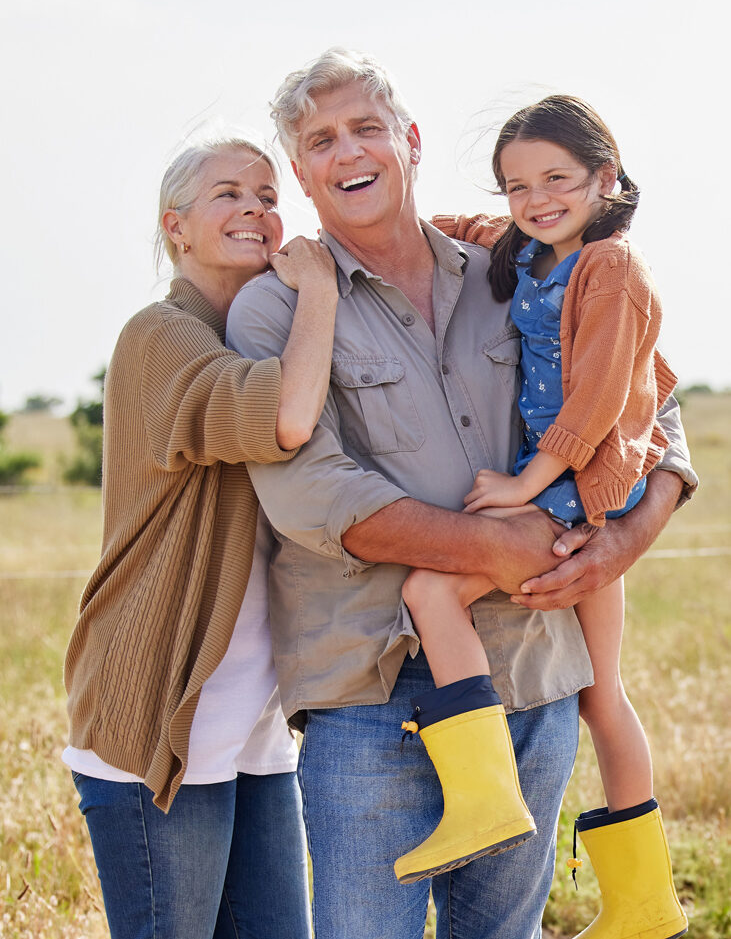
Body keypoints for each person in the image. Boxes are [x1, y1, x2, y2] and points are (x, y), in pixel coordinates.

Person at [225, 49, 696, 939]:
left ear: (407, 139)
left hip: (530, 675)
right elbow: (314, 495)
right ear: (300, 171)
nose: (347, 151)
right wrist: (494, 547)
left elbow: (648, 392)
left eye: (366, 127)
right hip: (367, 695)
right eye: (321, 140)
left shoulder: (512, 268)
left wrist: (632, 531)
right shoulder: (276, 309)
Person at [402, 96, 688, 939]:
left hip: (575, 485)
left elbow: (600, 395)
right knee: (603, 692)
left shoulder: (610, 267)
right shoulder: (529, 248)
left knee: (430, 588)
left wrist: (528, 484)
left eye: (556, 179)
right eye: (515, 185)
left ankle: (485, 798)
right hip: (580, 490)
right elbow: (456, 229)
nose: (535, 199)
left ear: (606, 176)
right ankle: (643, 904)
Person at [63, 135, 338, 939]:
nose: (256, 207)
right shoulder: (159, 335)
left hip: (249, 721)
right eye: (229, 193)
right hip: (160, 720)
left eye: (265, 192)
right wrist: (318, 287)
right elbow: (284, 418)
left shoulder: (260, 335)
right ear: (174, 226)